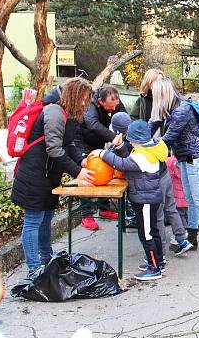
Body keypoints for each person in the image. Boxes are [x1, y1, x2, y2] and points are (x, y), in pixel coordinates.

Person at [10, 77, 95, 273]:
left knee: (47, 217)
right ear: (74, 96)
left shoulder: (70, 113)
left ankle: (46, 257)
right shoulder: (54, 112)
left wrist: (81, 160)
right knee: (33, 221)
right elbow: (54, 150)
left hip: (49, 175)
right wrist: (78, 172)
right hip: (34, 174)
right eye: (84, 98)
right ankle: (34, 268)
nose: (86, 103)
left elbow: (69, 144)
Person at [154, 78, 199, 260]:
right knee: (192, 200)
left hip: (197, 159)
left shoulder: (181, 111)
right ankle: (191, 237)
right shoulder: (175, 109)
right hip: (186, 159)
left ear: (163, 95)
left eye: (156, 95)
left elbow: (167, 139)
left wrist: (145, 150)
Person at [110, 112, 193, 256]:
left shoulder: (139, 148)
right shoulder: (156, 143)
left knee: (158, 217)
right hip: (165, 175)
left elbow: (127, 162)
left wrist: (107, 152)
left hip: (156, 182)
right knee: (171, 208)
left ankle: (161, 252)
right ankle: (182, 239)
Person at [98, 120, 169, 281]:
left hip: (144, 200)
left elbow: (122, 164)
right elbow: (130, 158)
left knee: (146, 234)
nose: (129, 142)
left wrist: (104, 154)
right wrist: (119, 147)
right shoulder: (148, 149)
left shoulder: (143, 156)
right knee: (153, 230)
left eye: (131, 139)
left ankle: (154, 268)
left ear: (139, 139)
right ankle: (159, 261)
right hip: (149, 198)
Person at [77, 85, 127, 230]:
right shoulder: (90, 102)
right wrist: (113, 137)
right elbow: (92, 124)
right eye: (110, 107)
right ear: (100, 101)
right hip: (83, 141)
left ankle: (104, 209)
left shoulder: (114, 100)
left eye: (115, 106)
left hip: (99, 141)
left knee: (105, 171)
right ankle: (86, 215)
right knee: (88, 174)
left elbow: (124, 116)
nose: (113, 109)